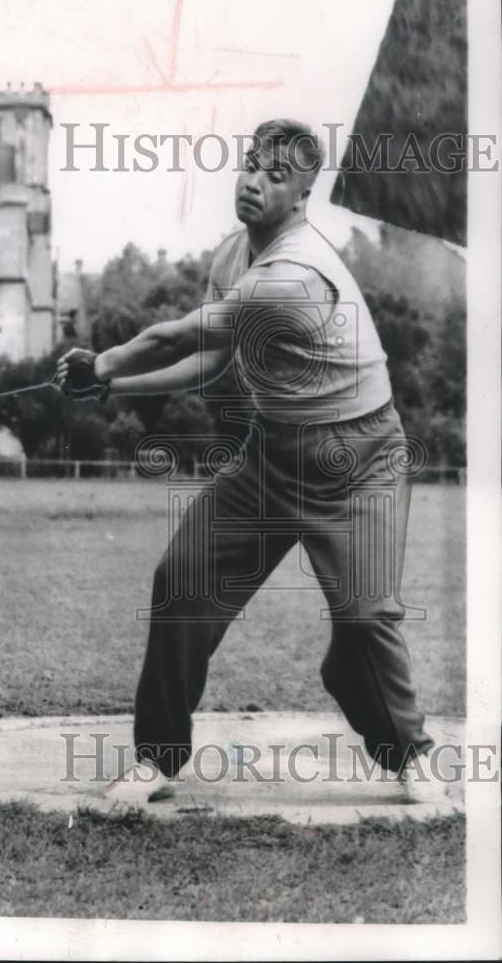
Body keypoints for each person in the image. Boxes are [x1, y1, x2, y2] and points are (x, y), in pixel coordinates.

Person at [56, 119, 445, 807]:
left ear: (300, 198)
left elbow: (173, 335)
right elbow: (208, 362)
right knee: (181, 579)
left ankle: (406, 752)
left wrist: (102, 363)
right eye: (249, 164)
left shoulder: (292, 273)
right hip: (272, 456)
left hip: (359, 462)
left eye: (273, 175)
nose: (252, 180)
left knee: (363, 619)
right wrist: (110, 386)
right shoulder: (234, 256)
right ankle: (157, 757)